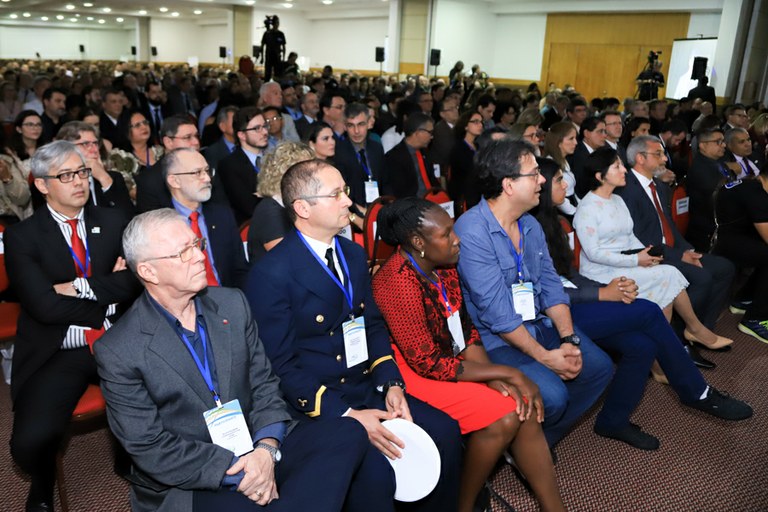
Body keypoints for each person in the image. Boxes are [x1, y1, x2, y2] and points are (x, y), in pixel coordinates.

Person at [94, 209, 379, 512]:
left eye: (197, 244)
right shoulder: (119, 349)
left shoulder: (231, 303)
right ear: (148, 271)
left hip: (257, 442)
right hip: (194, 473)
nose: (199, 257)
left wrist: (266, 449)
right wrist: (243, 471)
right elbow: (150, 447)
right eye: (183, 253)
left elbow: (265, 384)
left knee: (349, 431)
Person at [245, 159, 462, 511]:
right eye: (336, 195)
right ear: (302, 208)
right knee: (375, 473)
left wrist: (391, 383)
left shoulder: (352, 253)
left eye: (345, 191)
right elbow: (280, 367)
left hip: (366, 387)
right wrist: (346, 414)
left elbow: (372, 324)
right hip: (322, 404)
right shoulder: (272, 273)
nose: (348, 201)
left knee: (446, 434)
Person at [533, 157, 752, 448]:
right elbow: (543, 290)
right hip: (552, 315)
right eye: (560, 179)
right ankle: (696, 392)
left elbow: (568, 275)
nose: (566, 184)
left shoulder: (554, 222)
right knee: (648, 311)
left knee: (642, 345)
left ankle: (612, 420)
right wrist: (601, 293)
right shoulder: (534, 227)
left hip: (575, 300)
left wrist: (608, 287)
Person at [371, 198, 565, 512]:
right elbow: (427, 362)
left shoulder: (445, 265)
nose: (456, 238)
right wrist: (508, 373)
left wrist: (497, 380)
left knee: (518, 402)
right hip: (410, 368)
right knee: (504, 416)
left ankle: (553, 507)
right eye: (446, 233)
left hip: (450, 357)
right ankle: (463, 504)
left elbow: (465, 330)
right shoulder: (397, 283)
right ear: (419, 242)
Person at [5, 141, 140, 511]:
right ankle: (43, 475)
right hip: (59, 349)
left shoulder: (112, 220)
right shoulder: (21, 237)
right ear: (42, 184)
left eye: (82, 172)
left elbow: (135, 281)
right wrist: (104, 299)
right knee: (29, 444)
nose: (79, 181)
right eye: (66, 175)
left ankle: (129, 456)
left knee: (167, 395)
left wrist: (79, 288)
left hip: (118, 339)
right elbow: (43, 306)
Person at [454, 139, 613, 448]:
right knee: (553, 395)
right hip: (496, 341)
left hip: (539, 324)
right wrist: (544, 357)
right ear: (508, 185)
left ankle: (538, 442)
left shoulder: (529, 224)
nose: (543, 180)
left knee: (598, 369)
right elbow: (498, 316)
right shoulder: (472, 232)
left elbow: (552, 286)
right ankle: (528, 442)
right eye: (534, 173)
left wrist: (567, 340)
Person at [573, 146, 732, 350]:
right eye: (617, 166)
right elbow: (594, 254)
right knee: (668, 275)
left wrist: (647, 254)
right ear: (600, 176)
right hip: (600, 272)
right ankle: (691, 331)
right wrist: (636, 260)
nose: (624, 170)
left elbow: (629, 237)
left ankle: (663, 349)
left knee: (665, 276)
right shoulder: (587, 208)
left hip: (625, 261)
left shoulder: (618, 200)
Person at [615, 135, 736, 358]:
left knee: (724, 268)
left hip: (671, 249)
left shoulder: (660, 187)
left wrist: (688, 250)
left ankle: (699, 329)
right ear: (640, 158)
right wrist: (679, 255)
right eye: (658, 154)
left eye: (663, 153)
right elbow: (638, 238)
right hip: (648, 255)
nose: (664, 159)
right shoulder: (627, 191)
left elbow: (668, 224)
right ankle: (678, 340)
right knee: (702, 278)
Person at [164, 148, 248, 288]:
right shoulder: (160, 226)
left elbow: (240, 269)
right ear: (174, 181)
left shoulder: (222, 215)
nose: (207, 178)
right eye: (197, 173)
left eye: (207, 171)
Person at [713, 172, 768, 342]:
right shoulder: (755, 194)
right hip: (726, 244)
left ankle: (744, 299)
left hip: (740, 237)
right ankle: (754, 319)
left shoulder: (752, 185)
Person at [248, 141, 314, 262]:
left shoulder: (292, 203)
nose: (313, 176)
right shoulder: (270, 212)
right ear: (285, 174)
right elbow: (290, 261)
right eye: (306, 171)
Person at [55, 121, 134, 215]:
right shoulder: (59, 180)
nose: (95, 150)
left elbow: (127, 217)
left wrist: (104, 178)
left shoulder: (113, 178)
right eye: (86, 144)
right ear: (66, 148)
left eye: (95, 143)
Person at [219, 106, 269, 224]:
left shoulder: (274, 158)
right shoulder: (229, 165)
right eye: (257, 128)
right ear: (241, 135)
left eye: (265, 126)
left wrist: (262, 194)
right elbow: (249, 207)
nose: (265, 132)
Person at [381, 112, 441, 199]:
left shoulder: (426, 152)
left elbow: (433, 181)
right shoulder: (394, 157)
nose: (432, 137)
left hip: (432, 202)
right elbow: (399, 192)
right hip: (412, 205)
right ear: (417, 133)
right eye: (430, 132)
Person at [543, 121, 579, 218]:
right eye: (571, 139)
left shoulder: (564, 160)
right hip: (564, 212)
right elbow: (556, 197)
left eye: (575, 138)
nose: (575, 142)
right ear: (558, 142)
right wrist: (575, 212)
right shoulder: (551, 163)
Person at [447, 111, 483, 205]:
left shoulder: (477, 145)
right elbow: (471, 170)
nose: (480, 125)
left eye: (481, 122)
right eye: (475, 122)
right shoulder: (459, 148)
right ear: (465, 126)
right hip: (463, 196)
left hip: (476, 191)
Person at [261, 16, 286, 82]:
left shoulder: (281, 34)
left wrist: (283, 58)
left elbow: (283, 47)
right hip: (268, 56)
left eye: (278, 23)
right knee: (267, 74)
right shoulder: (267, 33)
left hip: (277, 57)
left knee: (278, 75)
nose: (277, 24)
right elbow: (262, 45)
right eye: (275, 23)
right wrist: (262, 58)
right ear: (272, 24)